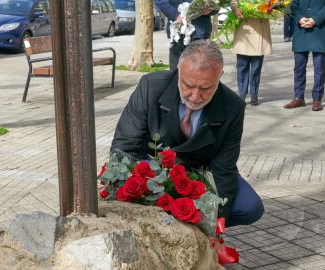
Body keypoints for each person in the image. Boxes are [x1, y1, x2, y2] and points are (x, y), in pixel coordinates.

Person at [111, 40, 264, 227]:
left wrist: (216, 219)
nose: (195, 96)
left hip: (200, 172)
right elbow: (124, 146)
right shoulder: (151, 87)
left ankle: (194, 228)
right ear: (178, 71)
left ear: (220, 76)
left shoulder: (233, 106)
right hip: (151, 169)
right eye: (189, 85)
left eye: (206, 88)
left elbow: (224, 167)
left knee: (249, 207)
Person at [284, 0, 325, 111]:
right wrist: (299, 18)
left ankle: (317, 99)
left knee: (319, 68)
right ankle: (298, 97)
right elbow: (294, 4)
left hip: (321, 28)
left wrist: (315, 19)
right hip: (301, 29)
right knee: (299, 68)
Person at [231, 0, 272, 106]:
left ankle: (254, 94)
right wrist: (236, 8)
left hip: (260, 28)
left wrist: (269, 7)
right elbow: (233, 2)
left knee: (256, 67)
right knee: (242, 65)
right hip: (244, 28)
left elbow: (273, 4)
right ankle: (242, 94)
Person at [155, 0, 217, 70]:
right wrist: (175, 15)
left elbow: (216, 4)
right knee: (177, 71)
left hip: (200, 32)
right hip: (178, 31)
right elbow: (160, 1)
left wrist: (211, 9)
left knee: (200, 70)